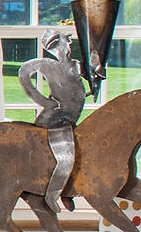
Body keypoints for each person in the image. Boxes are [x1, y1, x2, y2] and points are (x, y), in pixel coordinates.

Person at [15, 28, 88, 215]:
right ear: (55, 44)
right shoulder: (48, 64)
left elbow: (91, 83)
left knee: (81, 154)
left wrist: (96, 70)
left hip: (71, 117)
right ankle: (51, 195)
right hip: (56, 119)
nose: (70, 43)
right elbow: (24, 74)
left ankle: (67, 193)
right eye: (66, 40)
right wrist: (45, 102)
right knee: (65, 157)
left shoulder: (74, 65)